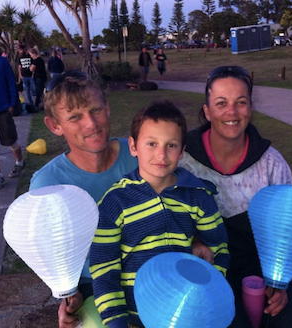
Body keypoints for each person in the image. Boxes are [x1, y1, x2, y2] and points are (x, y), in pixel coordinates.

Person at [30, 73, 214, 328]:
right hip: (93, 283)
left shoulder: (144, 152)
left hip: (161, 272)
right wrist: (70, 295)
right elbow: (56, 254)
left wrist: (195, 240)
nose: (91, 124)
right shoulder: (47, 185)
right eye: (75, 117)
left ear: (107, 107)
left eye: (95, 110)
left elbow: (180, 199)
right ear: (54, 125)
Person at [178, 66, 292, 328]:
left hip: (261, 268)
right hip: (206, 268)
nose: (232, 112)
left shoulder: (272, 163)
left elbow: (287, 229)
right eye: (221, 103)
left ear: (250, 107)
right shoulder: (183, 159)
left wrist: (279, 282)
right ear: (207, 111)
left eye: (241, 102)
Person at [90, 101, 229, 328]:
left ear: (182, 150)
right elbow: (104, 267)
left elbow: (219, 249)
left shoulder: (199, 197)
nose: (161, 154)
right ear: (133, 147)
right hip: (134, 318)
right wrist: (115, 321)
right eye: (152, 143)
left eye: (171, 145)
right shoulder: (114, 203)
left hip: (186, 314)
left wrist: (207, 294)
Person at [0, 55, 26, 188]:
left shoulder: (2, 62)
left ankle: (20, 163)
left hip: (3, 109)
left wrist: (12, 105)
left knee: (10, 141)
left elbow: (11, 83)